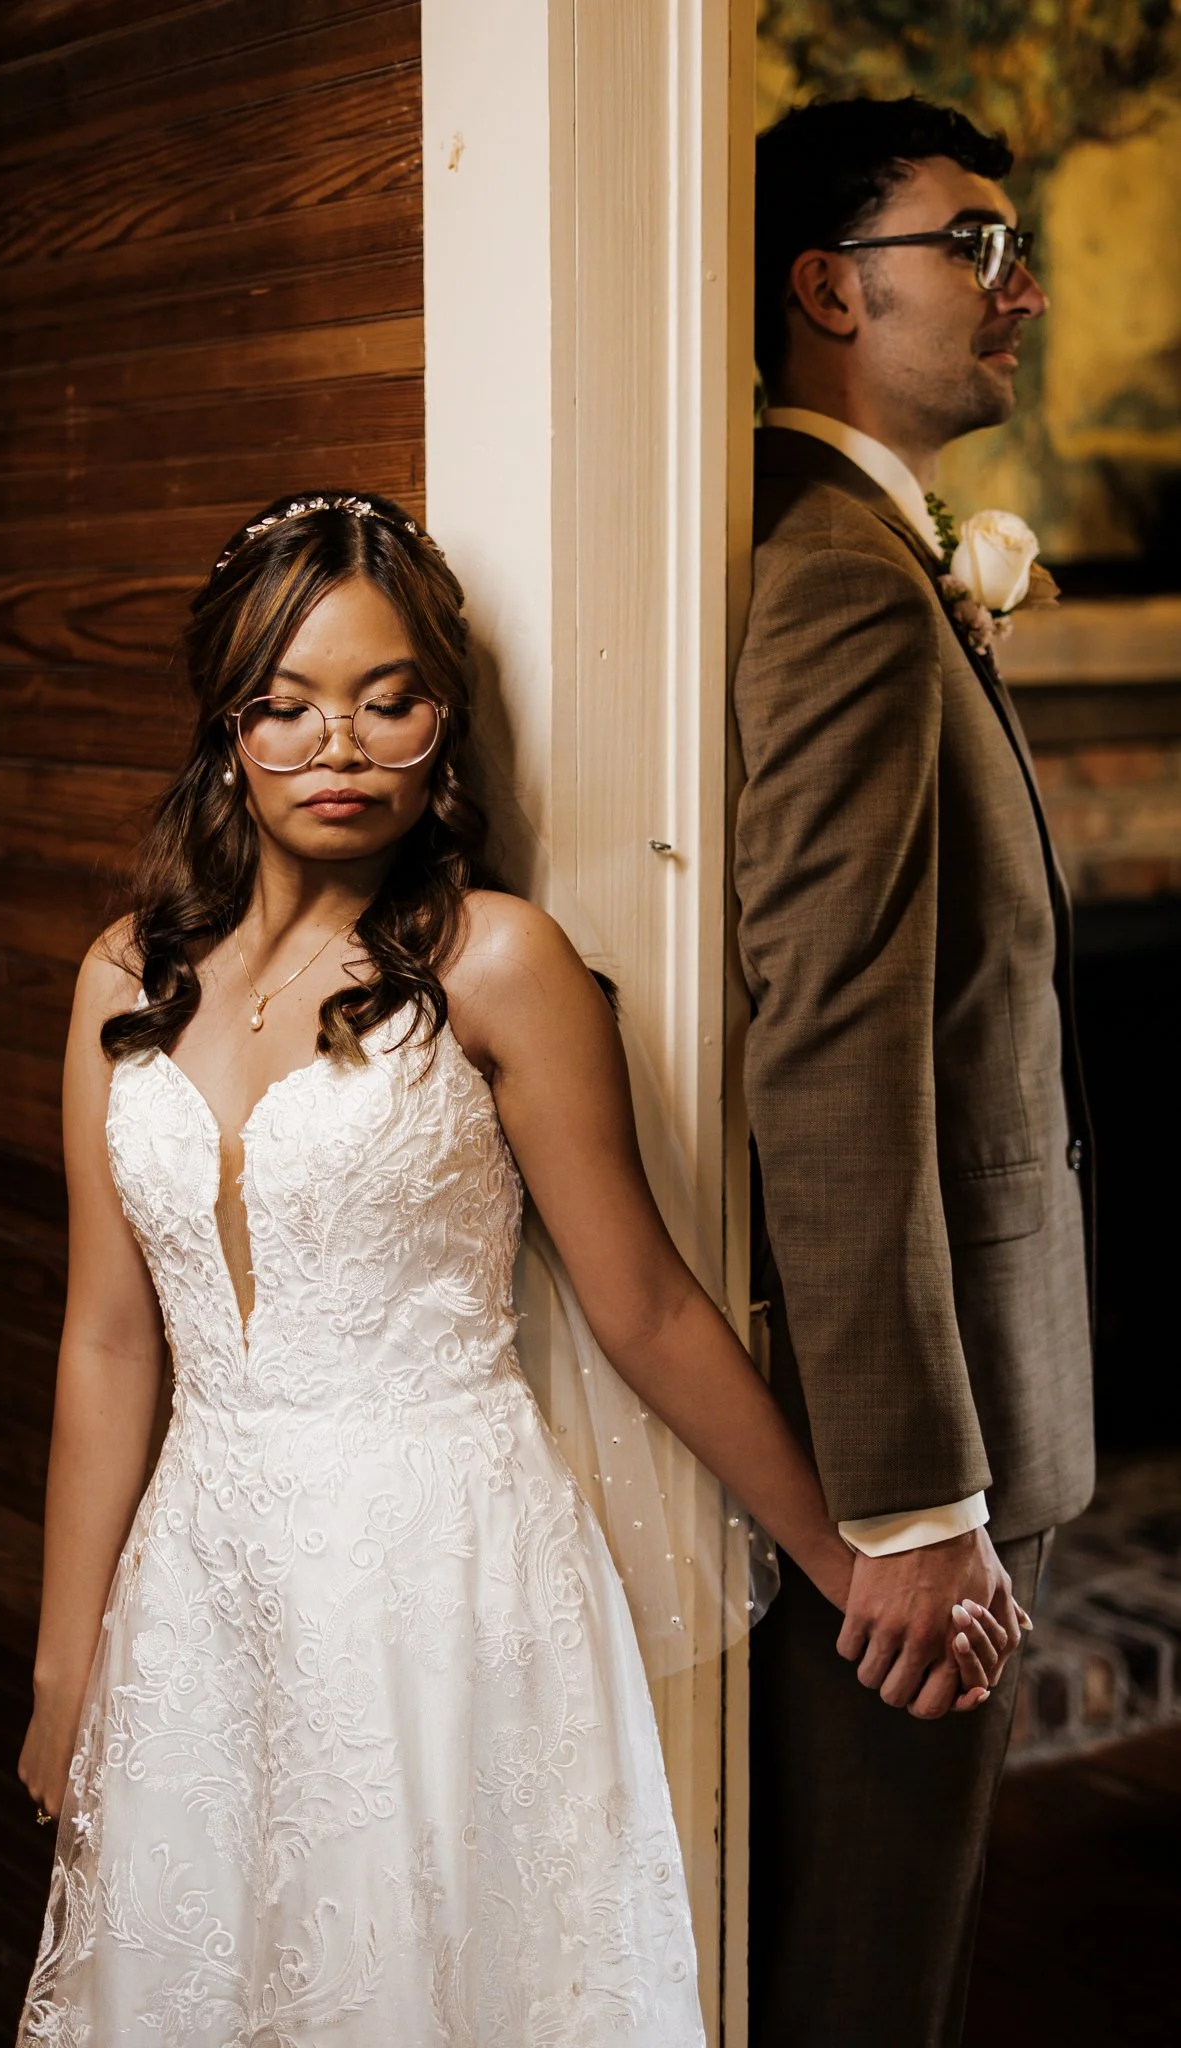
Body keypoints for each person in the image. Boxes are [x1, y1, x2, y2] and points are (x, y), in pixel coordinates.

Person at [15, 491, 1004, 2045]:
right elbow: (107, 1346)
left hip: (446, 1587)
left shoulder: (496, 962)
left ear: (444, 725)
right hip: (199, 1593)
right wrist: (68, 1663)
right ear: (226, 729)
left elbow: (649, 1306)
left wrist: (859, 1554)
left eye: (385, 698)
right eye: (287, 707)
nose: (338, 747)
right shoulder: (120, 981)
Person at [737, 97, 1095, 2048]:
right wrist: (904, 1498)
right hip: (916, 1457)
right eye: (970, 241)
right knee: (864, 1978)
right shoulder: (839, 581)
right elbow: (831, 1035)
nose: (1015, 285)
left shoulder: (888, 551)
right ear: (825, 286)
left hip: (972, 1395)